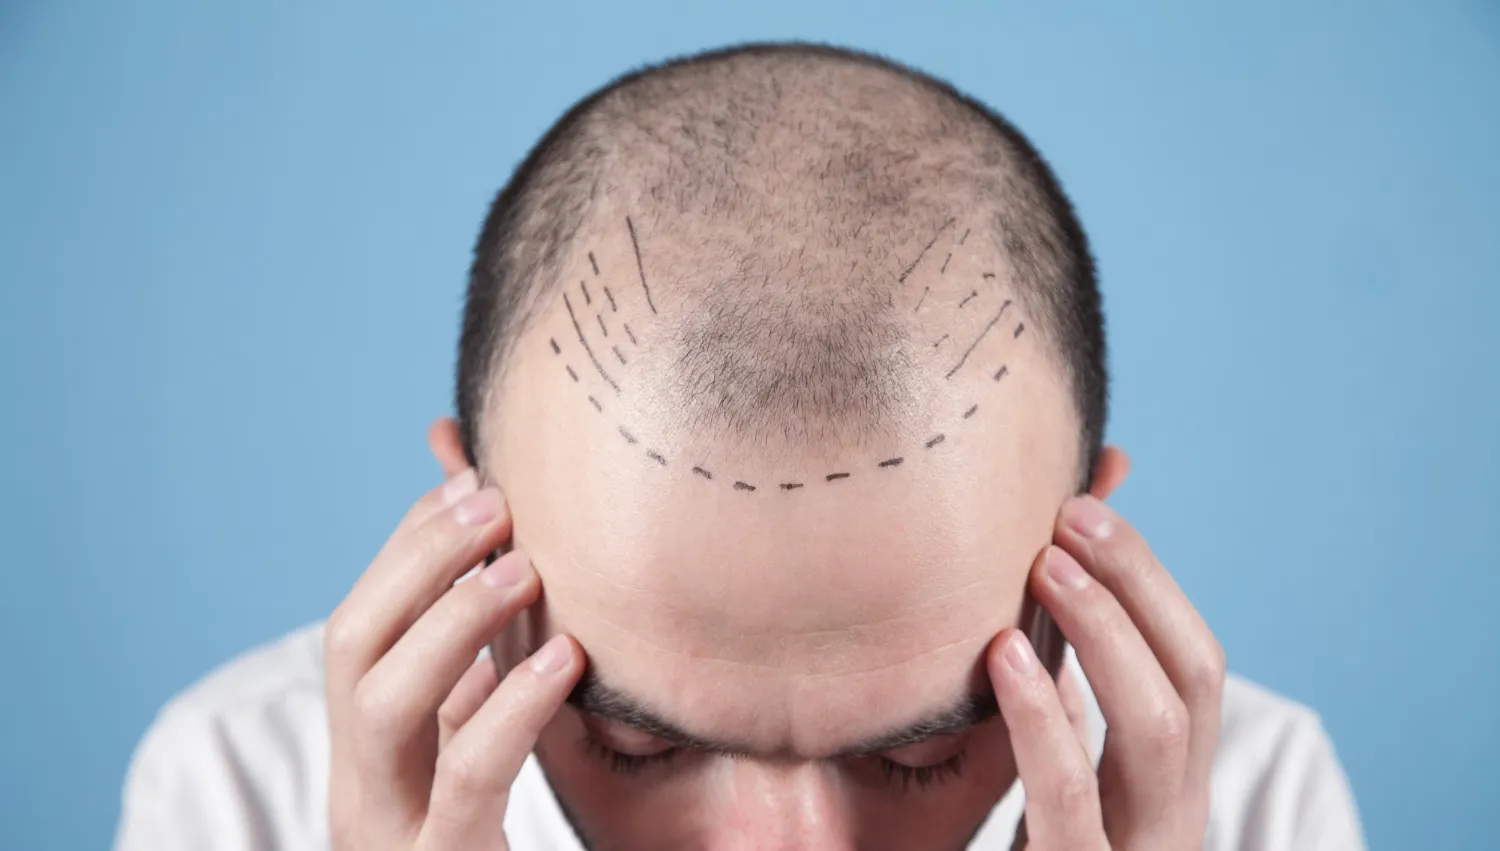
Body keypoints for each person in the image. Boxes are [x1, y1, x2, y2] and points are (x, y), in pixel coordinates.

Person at [114, 42, 1366, 850]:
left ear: (1089, 550)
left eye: (921, 752)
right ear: (463, 538)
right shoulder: (241, 792)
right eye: (639, 744)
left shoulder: (1251, 806)